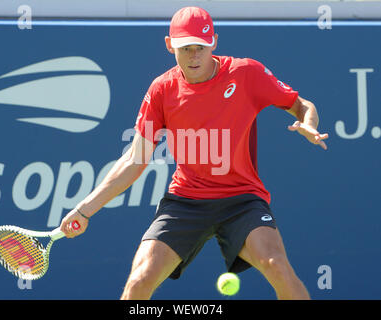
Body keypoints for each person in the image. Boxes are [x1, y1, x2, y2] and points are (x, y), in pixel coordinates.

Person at [59, 6, 328, 300]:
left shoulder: (246, 73)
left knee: (278, 267)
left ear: (213, 42)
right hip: (186, 201)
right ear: (169, 45)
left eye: (200, 47)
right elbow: (135, 160)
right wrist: (84, 210)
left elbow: (302, 105)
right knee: (139, 281)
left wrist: (308, 124)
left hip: (242, 199)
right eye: (185, 48)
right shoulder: (162, 90)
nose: (194, 56)